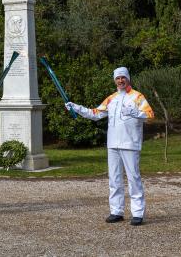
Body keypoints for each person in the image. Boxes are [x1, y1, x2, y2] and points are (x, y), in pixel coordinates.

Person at [65, 67, 155, 226]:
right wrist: (76, 108)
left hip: (130, 144)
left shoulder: (137, 97)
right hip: (113, 144)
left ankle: (138, 213)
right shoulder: (111, 98)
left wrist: (135, 113)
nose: (120, 81)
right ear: (115, 80)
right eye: (117, 78)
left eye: (123, 78)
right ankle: (116, 211)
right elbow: (95, 113)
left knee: (134, 179)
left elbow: (150, 116)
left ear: (128, 78)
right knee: (114, 179)